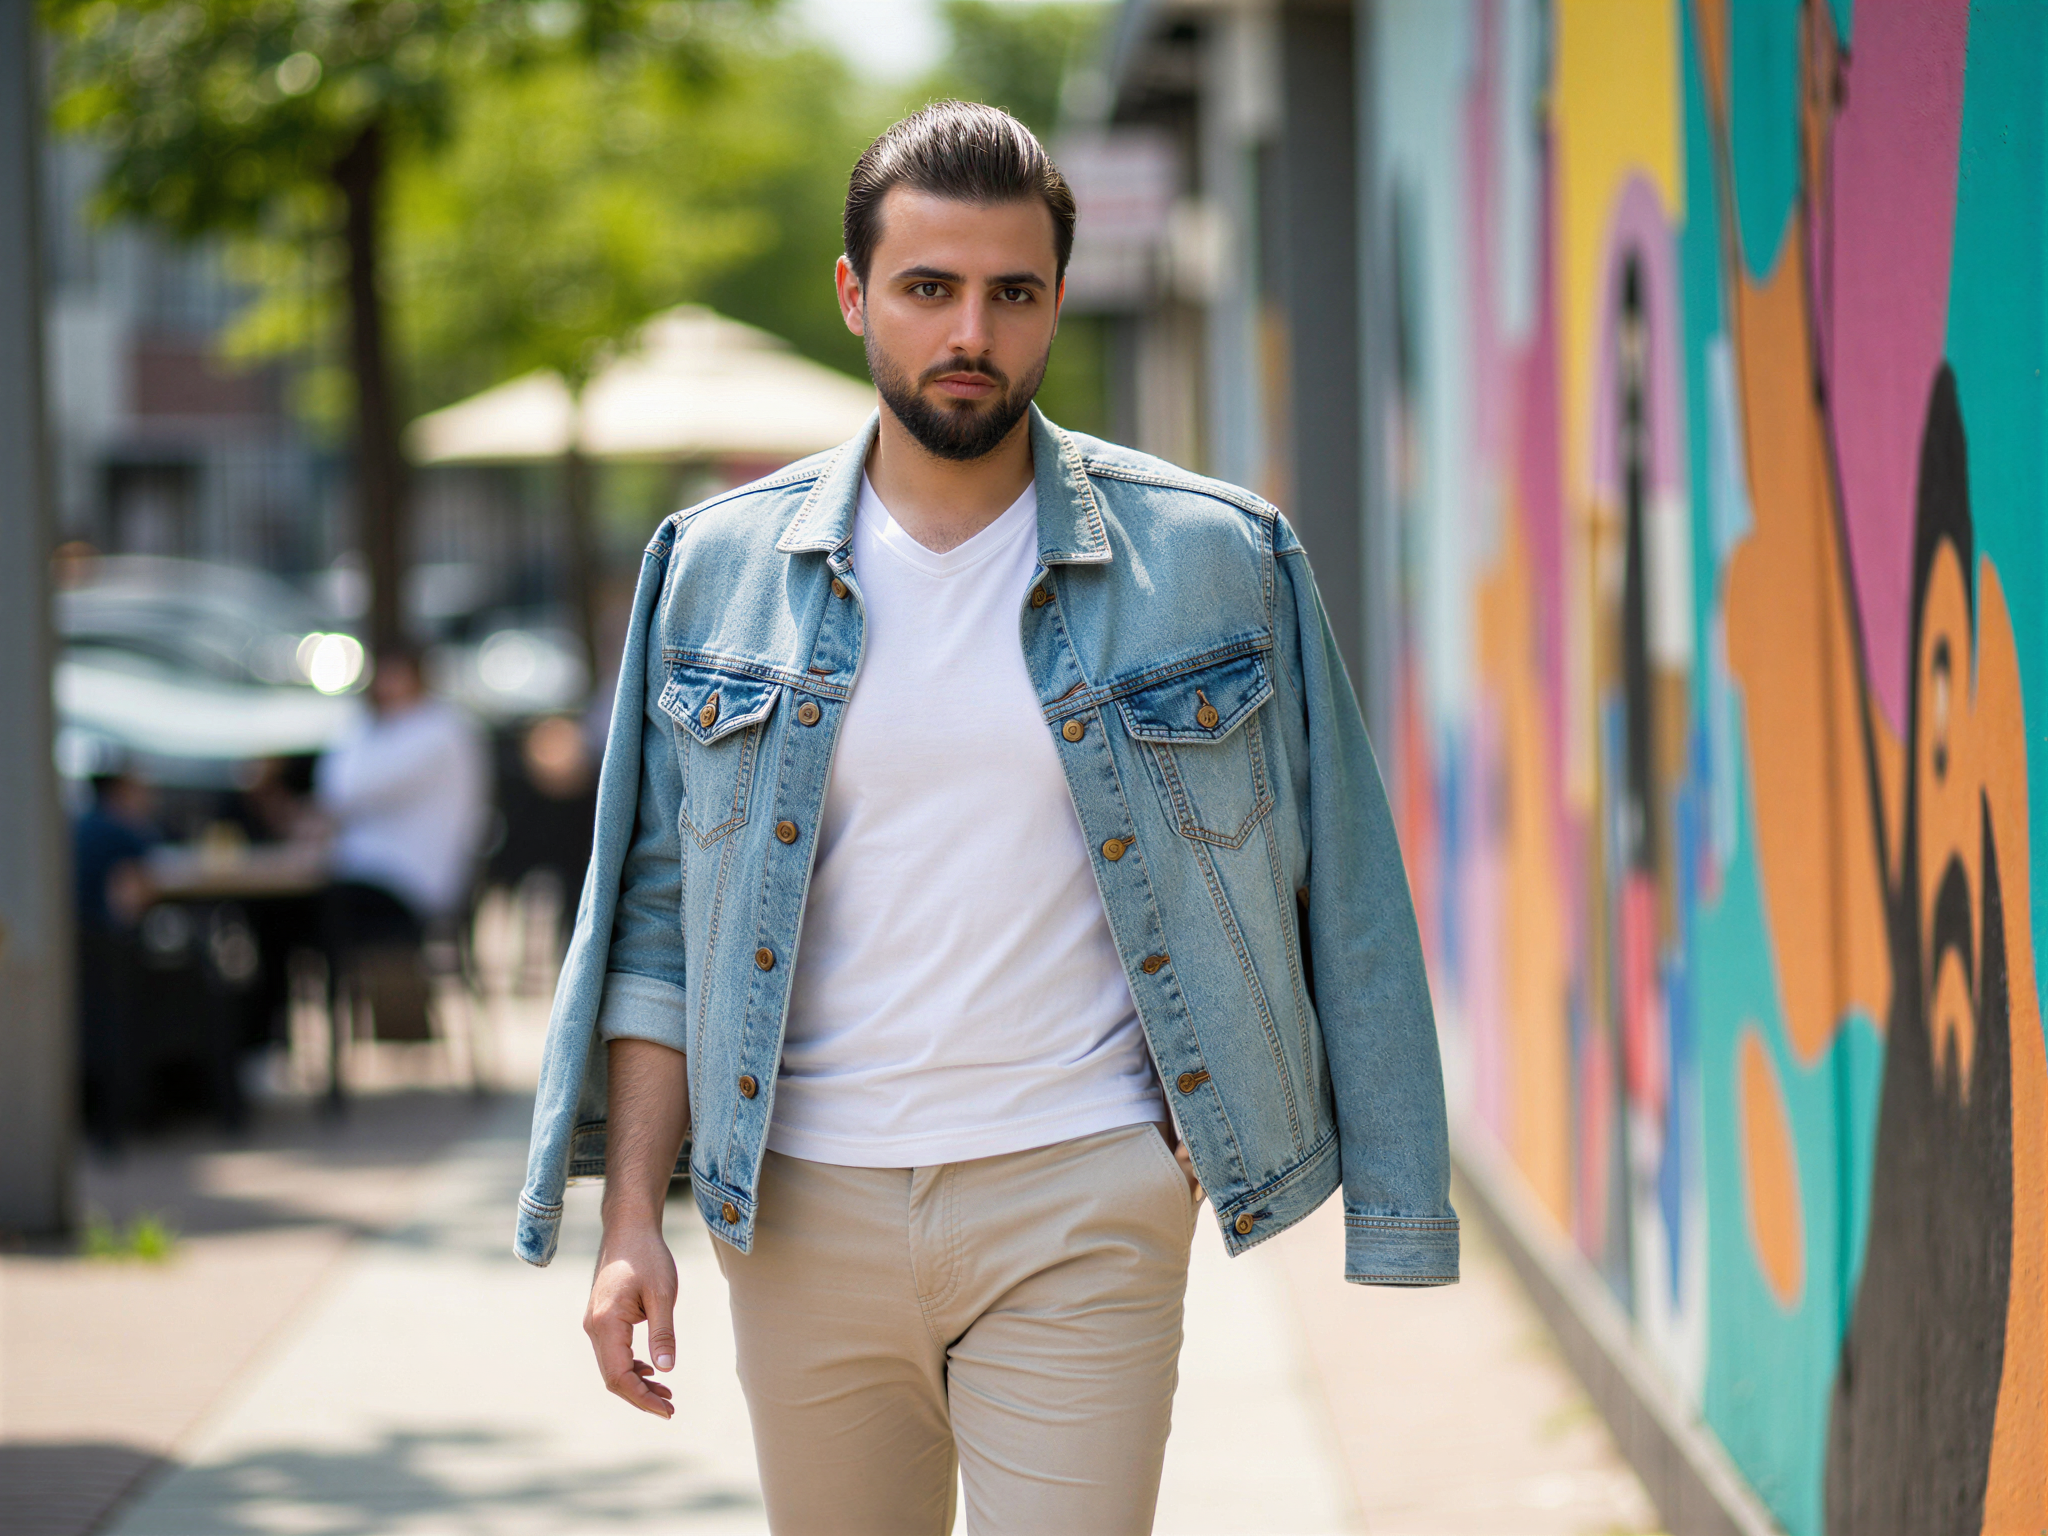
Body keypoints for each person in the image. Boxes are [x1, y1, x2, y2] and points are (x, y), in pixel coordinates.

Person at [517, 102, 1456, 1534]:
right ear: (854, 296)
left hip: (1082, 1196)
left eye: (1013, 293)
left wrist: (1388, 1201)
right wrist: (628, 1214)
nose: (973, 330)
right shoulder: (714, 571)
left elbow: (1351, 881)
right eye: (929, 288)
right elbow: (657, 918)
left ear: (1058, 302)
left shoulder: (1215, 557)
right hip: (800, 1202)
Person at [315, 644, 487, 1037]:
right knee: (289, 916)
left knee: (298, 915)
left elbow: (343, 788)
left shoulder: (435, 733)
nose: (387, 687)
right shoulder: (413, 731)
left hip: (404, 885)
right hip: (385, 878)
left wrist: (361, 720)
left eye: (396, 676)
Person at [73, 768, 160, 1148]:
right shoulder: (122, 831)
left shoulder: (77, 825)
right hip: (106, 956)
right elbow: (139, 892)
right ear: (122, 790)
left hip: (74, 957)